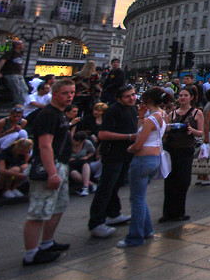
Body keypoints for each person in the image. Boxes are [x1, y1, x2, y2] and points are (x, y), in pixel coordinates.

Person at [22, 79, 76, 266]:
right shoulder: (48, 114)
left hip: (61, 165)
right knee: (39, 211)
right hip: (48, 166)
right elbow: (45, 145)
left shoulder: (61, 114)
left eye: (72, 92)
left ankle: (46, 243)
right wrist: (52, 172)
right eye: (65, 93)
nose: (69, 96)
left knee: (58, 206)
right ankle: (30, 254)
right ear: (54, 94)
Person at [88, 84, 139, 239]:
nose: (132, 98)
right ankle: (96, 222)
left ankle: (113, 213)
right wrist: (128, 137)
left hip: (126, 153)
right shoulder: (113, 111)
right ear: (119, 98)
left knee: (116, 185)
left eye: (133, 94)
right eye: (127, 96)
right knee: (106, 187)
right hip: (113, 154)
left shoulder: (133, 108)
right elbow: (102, 134)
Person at [118, 87, 168, 248]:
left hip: (142, 160)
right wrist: (140, 115)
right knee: (139, 197)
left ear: (147, 101)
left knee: (136, 200)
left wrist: (129, 149)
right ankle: (147, 230)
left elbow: (138, 143)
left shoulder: (151, 119)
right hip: (155, 159)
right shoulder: (162, 115)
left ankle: (135, 236)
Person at [161, 87, 204, 222]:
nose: (182, 98)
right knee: (170, 181)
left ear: (191, 97)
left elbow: (201, 132)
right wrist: (168, 128)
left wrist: (192, 130)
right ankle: (167, 213)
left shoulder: (197, 113)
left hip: (186, 150)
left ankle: (180, 211)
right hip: (171, 149)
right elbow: (165, 130)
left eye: (185, 95)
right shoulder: (172, 114)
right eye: (180, 95)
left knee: (183, 181)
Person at [195, 87, 210, 185]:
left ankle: (200, 176)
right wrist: (207, 137)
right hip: (209, 132)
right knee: (208, 154)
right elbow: (207, 121)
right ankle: (205, 176)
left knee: (203, 154)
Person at [68, 131, 101, 196]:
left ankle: (85, 187)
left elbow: (93, 151)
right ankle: (91, 184)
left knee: (85, 164)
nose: (75, 143)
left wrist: (87, 157)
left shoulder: (87, 143)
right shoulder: (68, 144)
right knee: (74, 173)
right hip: (72, 164)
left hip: (82, 162)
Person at [0, 40, 28, 108]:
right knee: (17, 89)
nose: (23, 45)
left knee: (25, 89)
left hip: (18, 74)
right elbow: (2, 61)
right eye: (22, 44)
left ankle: (26, 103)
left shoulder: (20, 53)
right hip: (11, 73)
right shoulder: (10, 53)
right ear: (17, 46)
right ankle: (19, 104)